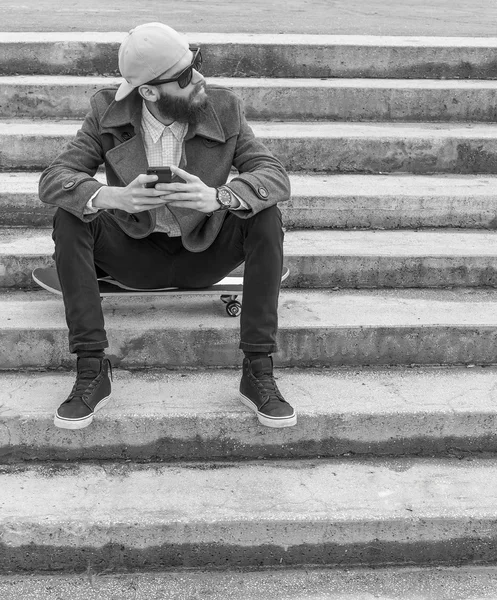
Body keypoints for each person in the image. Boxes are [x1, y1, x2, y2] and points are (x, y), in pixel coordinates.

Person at [39, 22, 296, 431]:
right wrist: (112, 197)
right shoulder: (108, 110)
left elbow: (274, 174)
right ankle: (91, 369)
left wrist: (220, 196)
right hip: (133, 255)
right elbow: (55, 178)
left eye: (195, 64)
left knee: (264, 212)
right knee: (70, 215)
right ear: (148, 91)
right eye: (183, 76)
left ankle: (258, 370)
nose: (199, 79)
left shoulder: (223, 107)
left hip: (205, 253)